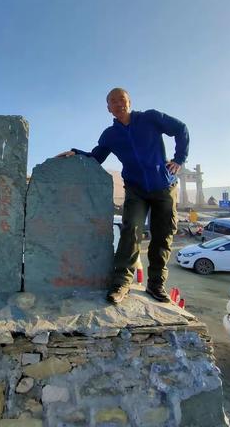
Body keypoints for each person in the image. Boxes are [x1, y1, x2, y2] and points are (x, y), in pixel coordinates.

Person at [57, 87, 189, 304]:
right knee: (130, 232)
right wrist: (75, 153)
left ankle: (156, 285)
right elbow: (96, 157)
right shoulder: (110, 135)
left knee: (162, 236)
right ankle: (121, 284)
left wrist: (179, 158)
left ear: (129, 101)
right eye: (113, 102)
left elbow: (181, 129)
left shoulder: (150, 118)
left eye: (122, 99)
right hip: (136, 189)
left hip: (164, 187)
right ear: (109, 109)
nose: (119, 104)